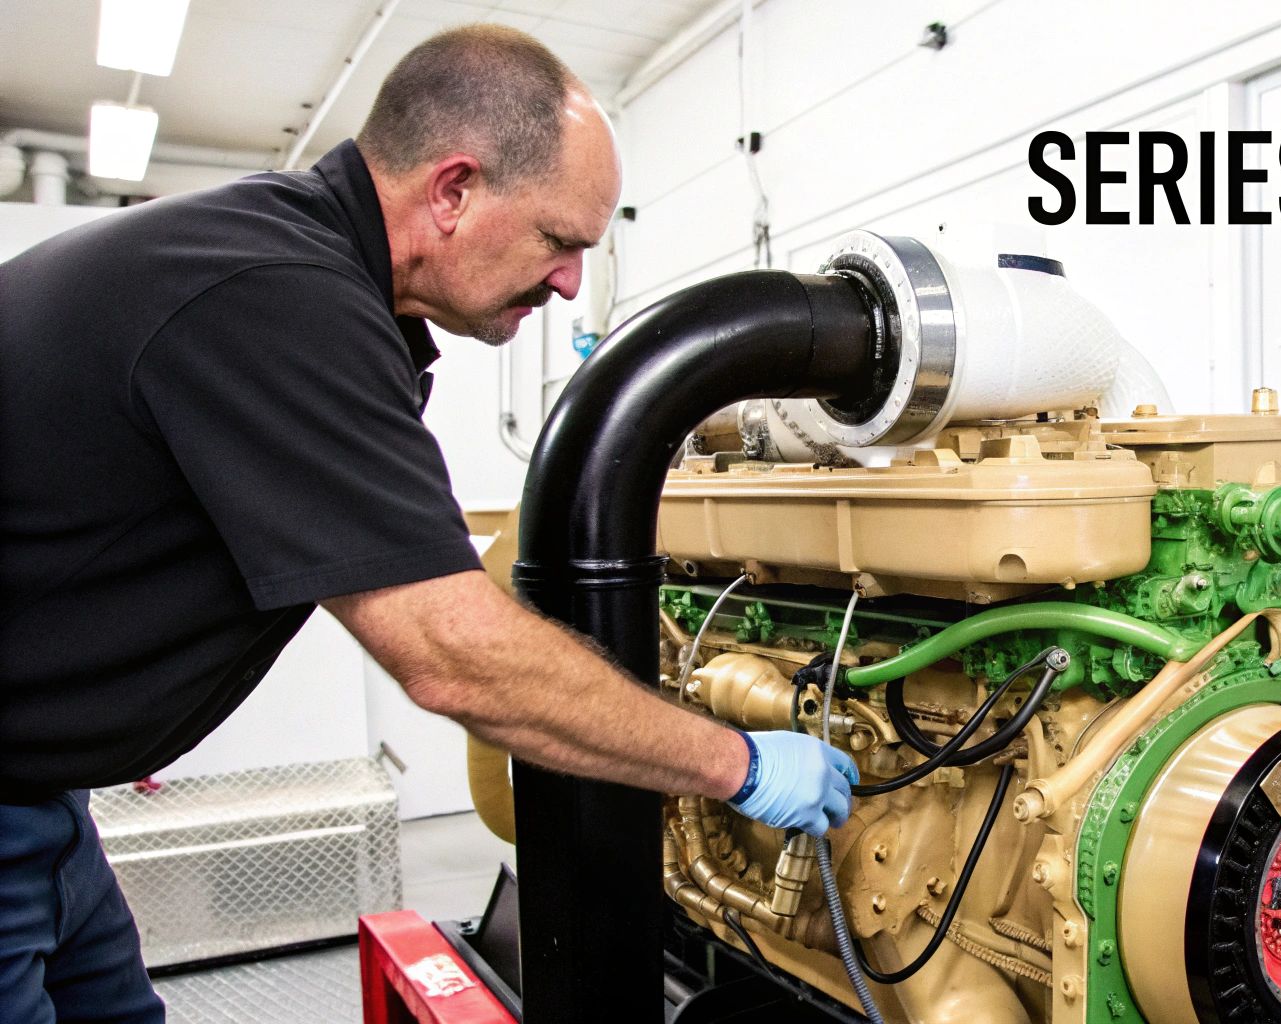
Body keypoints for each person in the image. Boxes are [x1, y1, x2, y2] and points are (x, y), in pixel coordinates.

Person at [0, 25, 856, 1022]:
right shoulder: (275, 299)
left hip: (44, 799)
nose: (574, 281)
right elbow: (452, 654)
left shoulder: (296, 276)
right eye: (558, 240)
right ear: (453, 191)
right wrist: (738, 764)